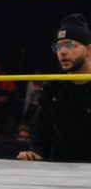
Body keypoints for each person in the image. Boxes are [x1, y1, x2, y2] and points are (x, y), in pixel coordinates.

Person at [17, 13, 91, 162]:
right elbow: (42, 133)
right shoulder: (53, 86)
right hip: (61, 168)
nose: (62, 52)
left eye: (70, 45)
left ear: (88, 50)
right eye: (58, 46)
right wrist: (35, 153)